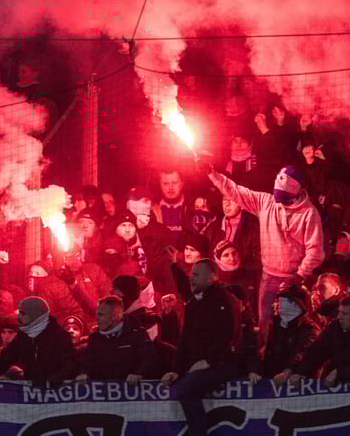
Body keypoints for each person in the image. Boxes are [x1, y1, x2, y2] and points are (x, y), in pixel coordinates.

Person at [204, 163, 324, 329]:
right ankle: (265, 352)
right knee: (264, 323)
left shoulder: (309, 214)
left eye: (283, 197)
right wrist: (212, 173)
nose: (278, 201)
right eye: (277, 195)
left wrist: (299, 275)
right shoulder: (266, 202)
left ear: (296, 192)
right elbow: (236, 191)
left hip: (294, 279)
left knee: (291, 325)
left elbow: (315, 250)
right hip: (268, 277)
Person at [160, 259, 239, 436]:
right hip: (199, 364)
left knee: (186, 390)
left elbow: (227, 335)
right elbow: (185, 339)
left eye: (195, 274)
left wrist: (208, 361)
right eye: (190, 274)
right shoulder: (193, 303)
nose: (191, 278)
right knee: (180, 385)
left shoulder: (224, 299)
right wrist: (177, 370)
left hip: (222, 364)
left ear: (210, 277)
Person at [282, 295, 350, 387]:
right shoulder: (335, 327)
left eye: (344, 314)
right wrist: (298, 372)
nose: (339, 317)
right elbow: (316, 352)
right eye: (339, 312)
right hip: (335, 387)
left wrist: (341, 373)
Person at [0, 297, 77, 388]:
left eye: (23, 314)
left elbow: (70, 365)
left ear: (35, 315)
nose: (19, 318)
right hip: (31, 395)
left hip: (56, 395)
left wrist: (53, 380)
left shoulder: (60, 336)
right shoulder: (24, 336)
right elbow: (6, 358)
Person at [76, 296, 157, 383]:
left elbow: (150, 359)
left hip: (131, 391)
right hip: (103, 393)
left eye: (101, 315)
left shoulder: (137, 334)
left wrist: (140, 374)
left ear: (114, 316)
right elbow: (87, 363)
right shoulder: (94, 338)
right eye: (97, 314)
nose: (97, 319)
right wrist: (83, 373)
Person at [261, 284, 318, 380]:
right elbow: (263, 350)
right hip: (271, 379)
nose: (284, 306)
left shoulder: (310, 329)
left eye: (291, 302)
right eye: (282, 302)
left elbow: (303, 352)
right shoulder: (273, 325)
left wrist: (288, 370)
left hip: (296, 381)